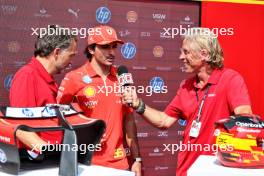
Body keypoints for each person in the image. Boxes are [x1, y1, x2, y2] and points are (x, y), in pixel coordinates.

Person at [122, 27, 252, 176]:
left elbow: (244, 119)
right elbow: (164, 121)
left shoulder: (230, 79)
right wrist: (138, 104)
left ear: (204, 54)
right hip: (186, 171)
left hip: (216, 170)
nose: (181, 57)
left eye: (186, 52)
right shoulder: (186, 86)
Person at [57, 25, 141, 175]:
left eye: (114, 47)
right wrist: (85, 133)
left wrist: (137, 160)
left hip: (119, 163)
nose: (112, 52)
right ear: (91, 49)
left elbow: (129, 120)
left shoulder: (122, 78)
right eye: (105, 47)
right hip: (86, 165)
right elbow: (58, 118)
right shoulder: (74, 78)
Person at [9, 24, 77, 159]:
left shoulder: (46, 79)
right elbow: (19, 127)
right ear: (57, 52)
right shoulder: (27, 76)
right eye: (71, 56)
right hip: (39, 164)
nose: (71, 62)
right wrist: (48, 154)